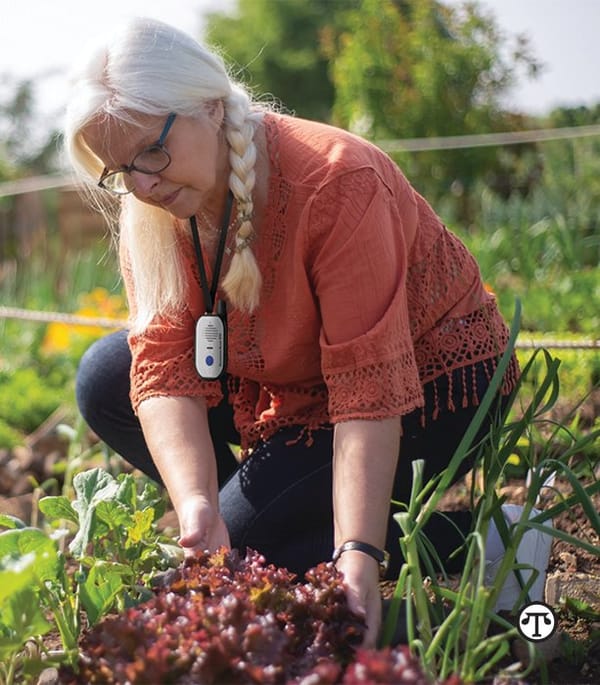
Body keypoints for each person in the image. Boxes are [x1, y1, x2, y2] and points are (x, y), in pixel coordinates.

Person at [64, 17, 552, 647]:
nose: (142, 184)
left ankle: (498, 538)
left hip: (431, 384)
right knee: (107, 377)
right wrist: (197, 506)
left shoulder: (335, 180)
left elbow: (367, 395)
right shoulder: (153, 203)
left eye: (151, 153)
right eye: (119, 170)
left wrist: (357, 557)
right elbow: (162, 362)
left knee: (253, 546)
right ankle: (259, 524)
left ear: (210, 107)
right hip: (295, 385)